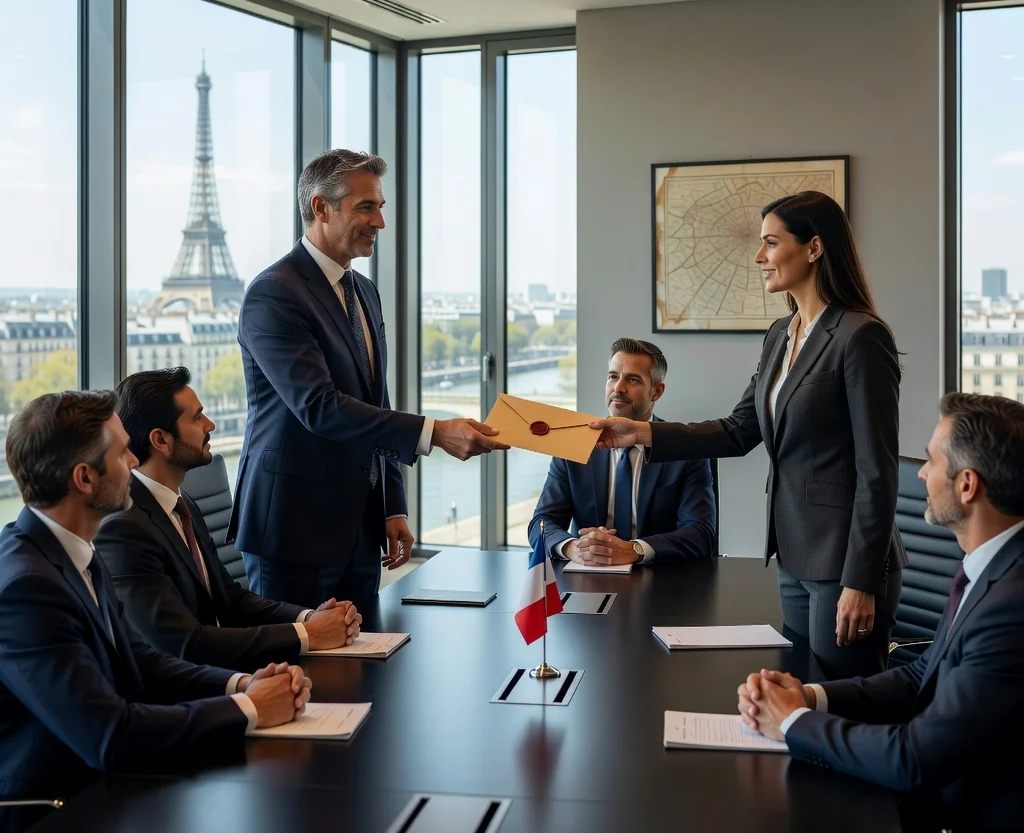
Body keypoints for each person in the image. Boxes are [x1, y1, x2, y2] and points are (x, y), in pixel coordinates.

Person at [591, 192, 905, 677]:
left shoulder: (860, 336)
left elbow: (877, 471)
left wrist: (861, 581)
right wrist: (640, 432)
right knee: (801, 699)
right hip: (793, 554)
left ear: (815, 248)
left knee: (842, 705)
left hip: (845, 564)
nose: (759, 257)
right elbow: (738, 431)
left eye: (771, 243)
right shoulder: (781, 333)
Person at [229, 150, 508, 614]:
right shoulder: (274, 292)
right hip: (293, 530)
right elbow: (318, 405)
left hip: (360, 528)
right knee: (299, 677)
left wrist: (391, 506)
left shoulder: (364, 291)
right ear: (321, 208)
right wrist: (435, 432)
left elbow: (376, 400)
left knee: (366, 666)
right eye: (366, 207)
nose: (379, 221)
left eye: (380, 207)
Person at [0, 391, 311, 808]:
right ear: (85, 478)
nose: (134, 462)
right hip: (61, 806)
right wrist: (248, 708)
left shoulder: (73, 551)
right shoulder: (26, 589)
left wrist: (240, 683)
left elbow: (140, 659)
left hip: (114, 782)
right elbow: (111, 735)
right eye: (124, 452)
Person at [737, 393, 1024, 831]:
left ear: (967, 485)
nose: (922, 473)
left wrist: (793, 722)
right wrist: (811, 696)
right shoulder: (989, 566)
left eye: (931, 461)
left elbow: (915, 758)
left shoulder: (1011, 606)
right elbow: (920, 676)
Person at [94, 369, 361, 671]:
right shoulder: (123, 529)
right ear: (160, 440)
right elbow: (184, 645)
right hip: (186, 698)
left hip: (225, 674)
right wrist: (309, 635)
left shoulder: (183, 504)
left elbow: (231, 598)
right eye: (197, 418)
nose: (211, 425)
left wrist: (308, 617)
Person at [528, 337, 716, 565]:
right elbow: (542, 522)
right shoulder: (574, 444)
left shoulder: (684, 449)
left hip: (662, 581)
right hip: (587, 577)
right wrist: (573, 548)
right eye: (612, 377)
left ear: (656, 392)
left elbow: (701, 534)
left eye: (633, 379)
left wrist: (633, 550)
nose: (618, 388)